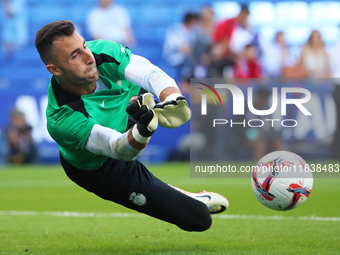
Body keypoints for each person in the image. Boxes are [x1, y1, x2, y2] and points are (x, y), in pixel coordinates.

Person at [34, 20, 228, 232]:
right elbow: (118, 149)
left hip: (129, 111)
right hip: (101, 166)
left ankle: (145, 108)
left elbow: (149, 73)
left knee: (143, 94)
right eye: (74, 56)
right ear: (55, 69)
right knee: (198, 219)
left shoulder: (102, 52)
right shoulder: (63, 118)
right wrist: (144, 130)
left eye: (84, 46)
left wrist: (173, 97)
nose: (88, 57)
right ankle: (183, 195)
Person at [162, 12, 198, 83]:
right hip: (173, 60)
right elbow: (179, 48)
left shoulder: (193, 32)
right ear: (191, 21)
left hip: (187, 61)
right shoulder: (175, 30)